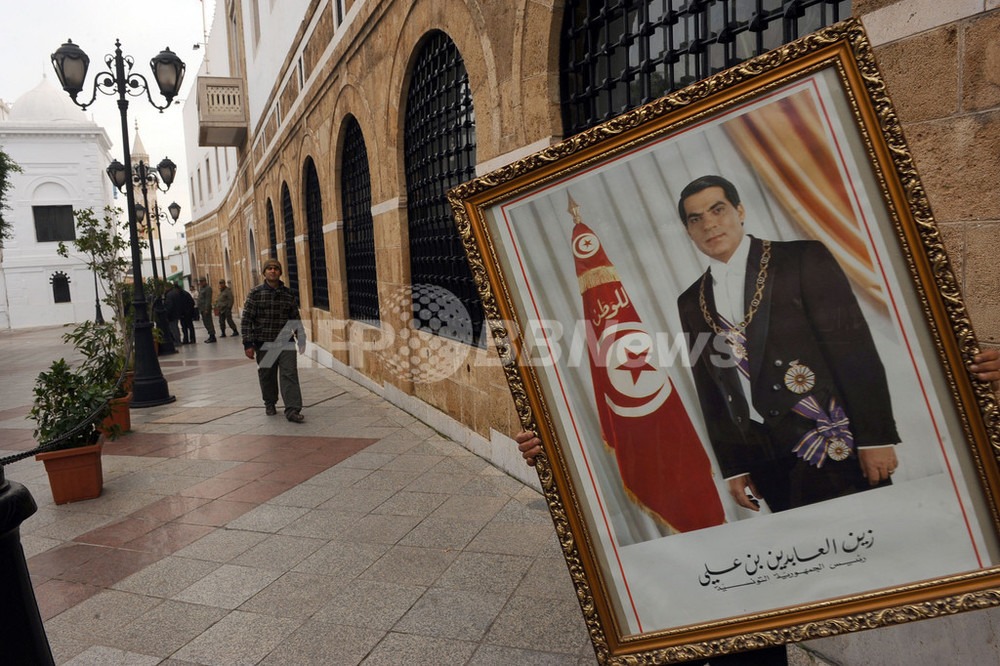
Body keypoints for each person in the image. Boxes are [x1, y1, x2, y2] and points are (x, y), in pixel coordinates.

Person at [675, 175, 899, 513]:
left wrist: (876, 437)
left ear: (740, 211)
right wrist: (735, 466)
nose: (709, 224)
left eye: (717, 210)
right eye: (696, 219)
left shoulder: (801, 258)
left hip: (831, 441)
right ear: (689, 231)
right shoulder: (691, 301)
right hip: (765, 458)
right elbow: (710, 387)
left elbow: (854, 351)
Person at [241, 258, 307, 423]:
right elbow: (246, 320)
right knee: (267, 375)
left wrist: (301, 338)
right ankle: (270, 402)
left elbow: (295, 318)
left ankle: (292, 410)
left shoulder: (288, 294)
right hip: (265, 342)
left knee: (289, 375)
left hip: (286, 342)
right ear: (264, 272)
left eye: (275, 268)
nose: (272, 271)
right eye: (269, 268)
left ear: (279, 272)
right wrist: (248, 344)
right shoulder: (255, 294)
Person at [162, 281, 183, 346]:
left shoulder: (169, 295)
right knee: (176, 328)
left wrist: (167, 316)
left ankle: (177, 341)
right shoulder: (175, 293)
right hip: (176, 314)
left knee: (173, 329)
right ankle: (178, 340)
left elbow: (169, 306)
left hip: (172, 315)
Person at [197, 277, 217, 343]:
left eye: (202, 281)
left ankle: (212, 336)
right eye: (200, 281)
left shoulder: (208, 288)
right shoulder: (202, 288)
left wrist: (206, 308)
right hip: (202, 308)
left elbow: (208, 299)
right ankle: (210, 335)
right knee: (205, 323)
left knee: (208, 322)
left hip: (205, 308)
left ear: (205, 281)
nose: (201, 283)